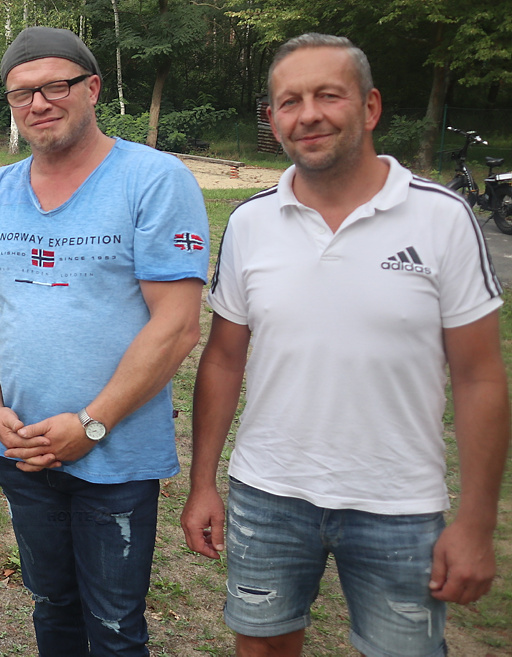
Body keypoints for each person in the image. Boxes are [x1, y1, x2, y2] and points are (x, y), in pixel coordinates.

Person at [181, 33, 509, 657]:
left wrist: (475, 522)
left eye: (328, 95)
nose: (308, 114)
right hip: (268, 493)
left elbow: (480, 377)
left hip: (398, 502)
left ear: (369, 107)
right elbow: (224, 358)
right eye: (288, 101)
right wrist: (204, 482)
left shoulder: (441, 218)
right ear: (273, 118)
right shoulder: (251, 223)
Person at [0, 26, 210, 655]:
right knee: (51, 608)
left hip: (115, 456)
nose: (37, 104)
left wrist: (91, 425)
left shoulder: (153, 180)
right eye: (20, 94)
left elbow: (177, 325)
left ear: (93, 88)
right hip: (22, 448)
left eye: (54, 87)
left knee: (116, 627)